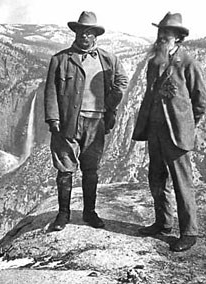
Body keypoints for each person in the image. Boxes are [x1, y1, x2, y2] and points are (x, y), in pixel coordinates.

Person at [44, 11, 128, 231]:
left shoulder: (108, 59)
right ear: (76, 33)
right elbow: (51, 90)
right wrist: (53, 118)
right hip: (68, 122)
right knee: (65, 168)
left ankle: (90, 213)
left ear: (95, 36)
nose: (85, 36)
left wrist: (110, 103)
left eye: (89, 32)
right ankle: (63, 215)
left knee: (91, 169)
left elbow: (121, 81)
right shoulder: (61, 59)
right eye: (81, 31)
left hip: (97, 122)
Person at [132, 12, 206, 252]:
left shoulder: (188, 62)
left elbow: (201, 101)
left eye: (167, 33)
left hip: (176, 134)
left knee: (181, 182)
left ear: (178, 38)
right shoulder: (155, 61)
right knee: (156, 177)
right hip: (154, 130)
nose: (162, 36)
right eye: (161, 32)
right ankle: (163, 223)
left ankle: (189, 232)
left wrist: (186, 124)